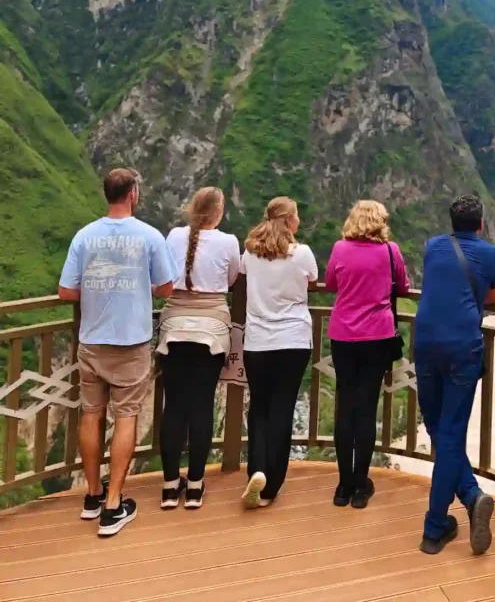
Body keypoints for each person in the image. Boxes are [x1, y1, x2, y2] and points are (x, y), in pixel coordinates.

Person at [58, 168, 175, 538]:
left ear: (107, 194)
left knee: (90, 414)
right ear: (133, 194)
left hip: (92, 340)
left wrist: (98, 290)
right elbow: (166, 288)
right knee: (126, 418)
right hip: (132, 342)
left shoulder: (84, 236)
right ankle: (113, 506)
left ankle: (92, 496)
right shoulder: (149, 236)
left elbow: (66, 291)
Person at [413, 193, 495, 556]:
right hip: (462, 348)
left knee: (436, 427)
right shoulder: (490, 253)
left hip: (426, 342)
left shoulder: (433, 246)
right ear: (481, 224)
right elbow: (494, 294)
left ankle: (469, 496)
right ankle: (437, 525)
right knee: (449, 432)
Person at [157, 187, 240, 510]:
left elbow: (164, 274)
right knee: (201, 406)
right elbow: (232, 279)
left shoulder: (174, 236)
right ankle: (194, 486)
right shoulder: (228, 242)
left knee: (174, 406)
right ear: (218, 212)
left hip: (174, 328)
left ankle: (168, 486)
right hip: (212, 331)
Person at [326, 200, 410, 509]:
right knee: (366, 408)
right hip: (377, 336)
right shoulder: (391, 251)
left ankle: (343, 486)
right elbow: (402, 285)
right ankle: (361, 487)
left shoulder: (339, 248)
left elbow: (332, 282)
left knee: (344, 406)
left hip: (343, 336)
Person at [240, 197, 318, 509]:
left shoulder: (250, 252)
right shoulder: (302, 254)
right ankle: (272, 485)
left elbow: (245, 274)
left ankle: (256, 469)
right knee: (283, 410)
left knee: (258, 407)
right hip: (294, 339)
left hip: (258, 341)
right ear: (290, 221)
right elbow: (312, 279)